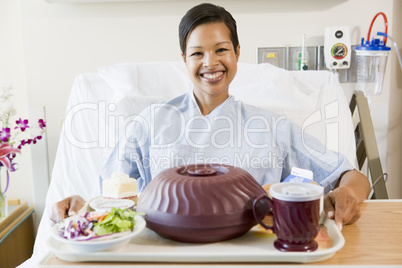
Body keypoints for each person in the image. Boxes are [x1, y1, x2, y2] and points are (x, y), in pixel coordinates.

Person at [51, 3, 370, 232]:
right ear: (183, 59)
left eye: (221, 50)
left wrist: (349, 194)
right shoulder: (148, 124)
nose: (210, 62)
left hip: (253, 253)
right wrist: (80, 206)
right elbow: (108, 199)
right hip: (164, 253)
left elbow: (350, 176)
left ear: (237, 53)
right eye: (197, 53)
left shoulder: (270, 127)